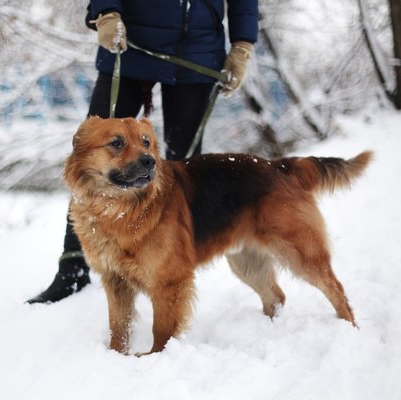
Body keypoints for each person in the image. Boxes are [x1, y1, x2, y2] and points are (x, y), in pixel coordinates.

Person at [27, 0, 259, 304]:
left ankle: (163, 264)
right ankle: (73, 269)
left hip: (198, 50)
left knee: (183, 169)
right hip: (131, 42)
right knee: (95, 157)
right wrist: (106, 11)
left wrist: (242, 45)